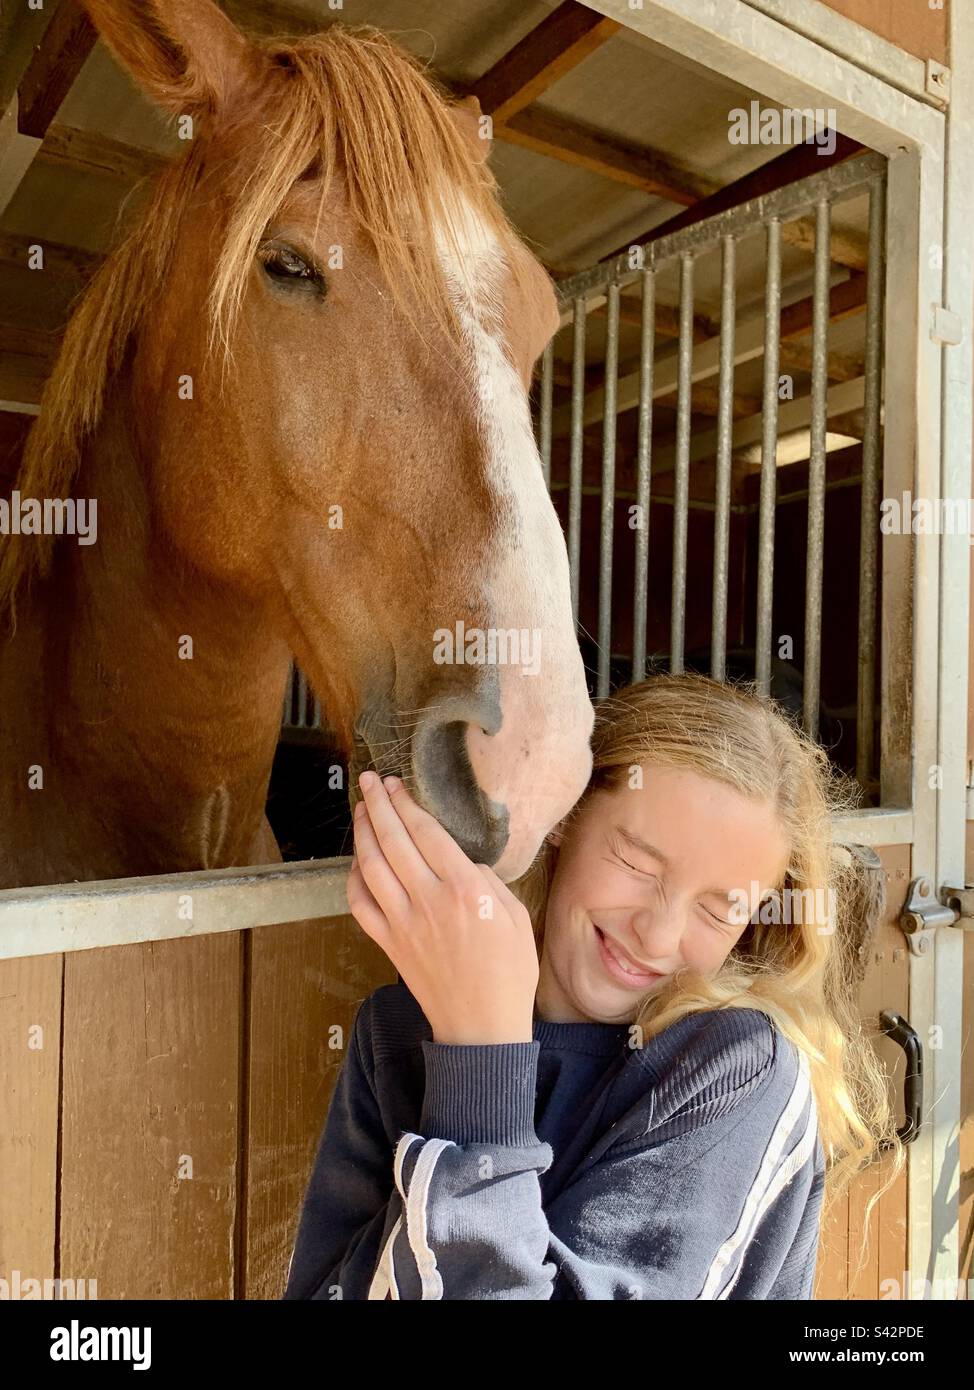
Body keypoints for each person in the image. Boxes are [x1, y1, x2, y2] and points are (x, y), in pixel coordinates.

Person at [283, 672, 905, 1300]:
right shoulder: (400, 1027)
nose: (658, 937)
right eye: (637, 863)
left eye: (719, 910)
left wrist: (480, 1055)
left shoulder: (734, 1071)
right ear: (565, 815)